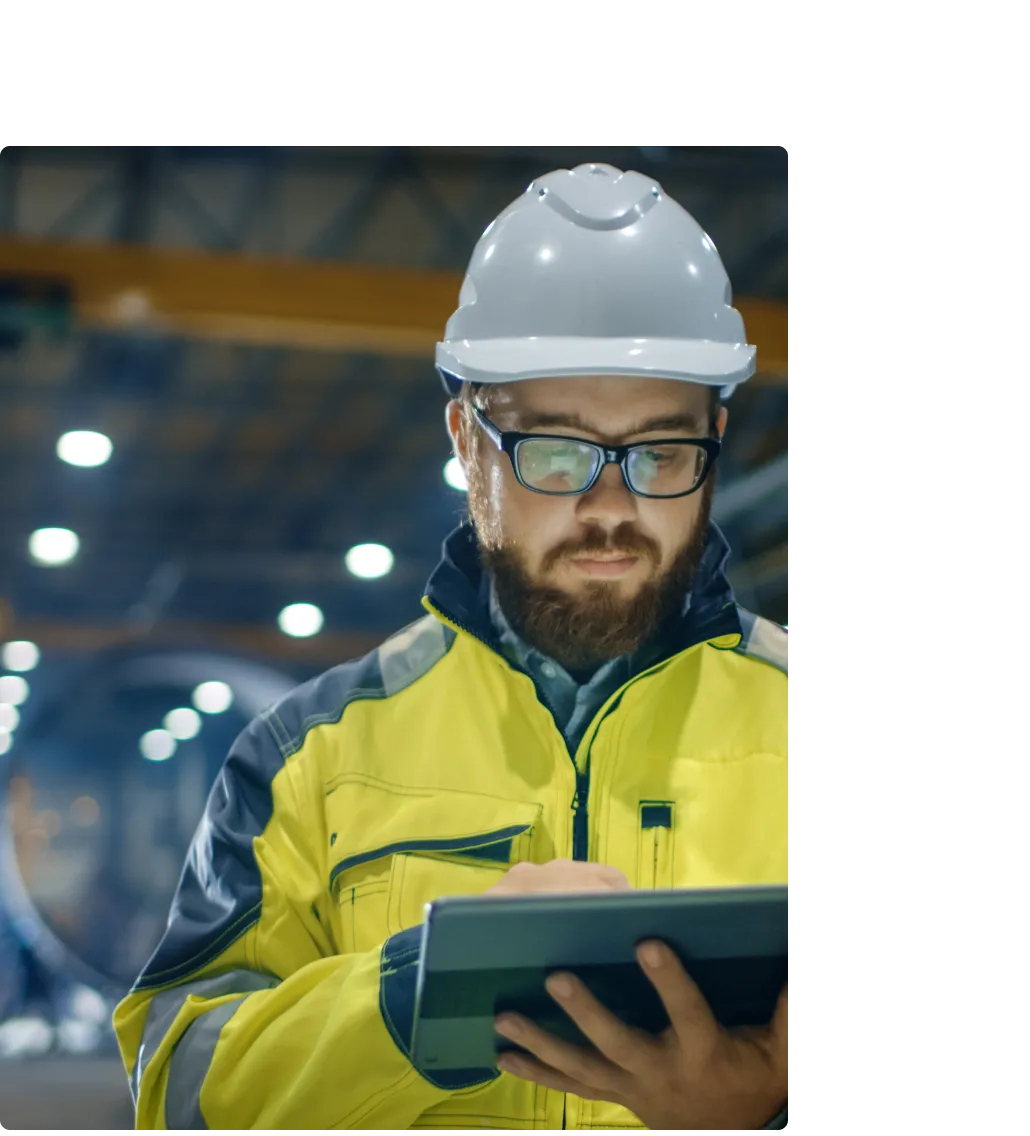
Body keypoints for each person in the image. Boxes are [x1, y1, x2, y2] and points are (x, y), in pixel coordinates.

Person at [113, 162, 791, 1132]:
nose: (610, 507)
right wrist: (412, 995)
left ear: (714, 438)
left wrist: (762, 1112)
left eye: (661, 453)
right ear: (468, 440)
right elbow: (178, 1089)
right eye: (556, 451)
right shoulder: (310, 755)